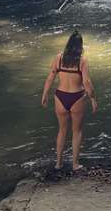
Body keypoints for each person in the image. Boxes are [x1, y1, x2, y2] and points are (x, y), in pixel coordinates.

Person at [41, 30, 98, 171]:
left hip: (60, 96)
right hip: (76, 97)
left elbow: (50, 77)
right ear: (80, 46)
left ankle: (58, 163)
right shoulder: (82, 61)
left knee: (61, 131)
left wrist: (45, 94)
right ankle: (75, 164)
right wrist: (93, 99)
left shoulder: (59, 58)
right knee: (76, 131)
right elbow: (87, 82)